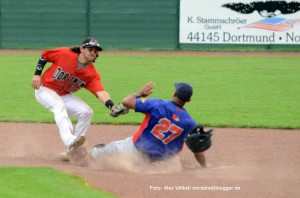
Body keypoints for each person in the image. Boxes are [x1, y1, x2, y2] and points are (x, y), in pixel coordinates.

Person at [31, 37, 128, 158]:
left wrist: (112, 106)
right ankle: (70, 141)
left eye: (96, 50)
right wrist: (37, 74)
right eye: (90, 49)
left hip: (64, 94)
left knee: (86, 112)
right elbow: (44, 55)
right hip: (44, 89)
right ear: (82, 49)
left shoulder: (91, 74)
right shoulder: (65, 53)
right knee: (58, 106)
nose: (93, 52)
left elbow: (100, 91)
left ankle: (73, 152)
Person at [89, 82, 213, 168]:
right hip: (158, 162)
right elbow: (197, 149)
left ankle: (84, 155)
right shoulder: (189, 122)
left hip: (133, 151)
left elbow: (126, 102)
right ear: (188, 100)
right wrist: (204, 166)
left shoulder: (157, 105)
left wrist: (139, 93)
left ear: (174, 94)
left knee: (100, 152)